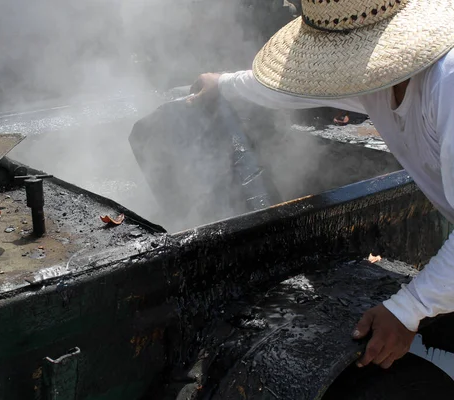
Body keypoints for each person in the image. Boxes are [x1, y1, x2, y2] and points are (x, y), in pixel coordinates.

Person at [189, 0, 454, 370]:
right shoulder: (378, 76)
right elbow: (294, 90)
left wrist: (409, 309)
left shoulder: (448, 82)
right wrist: (225, 84)